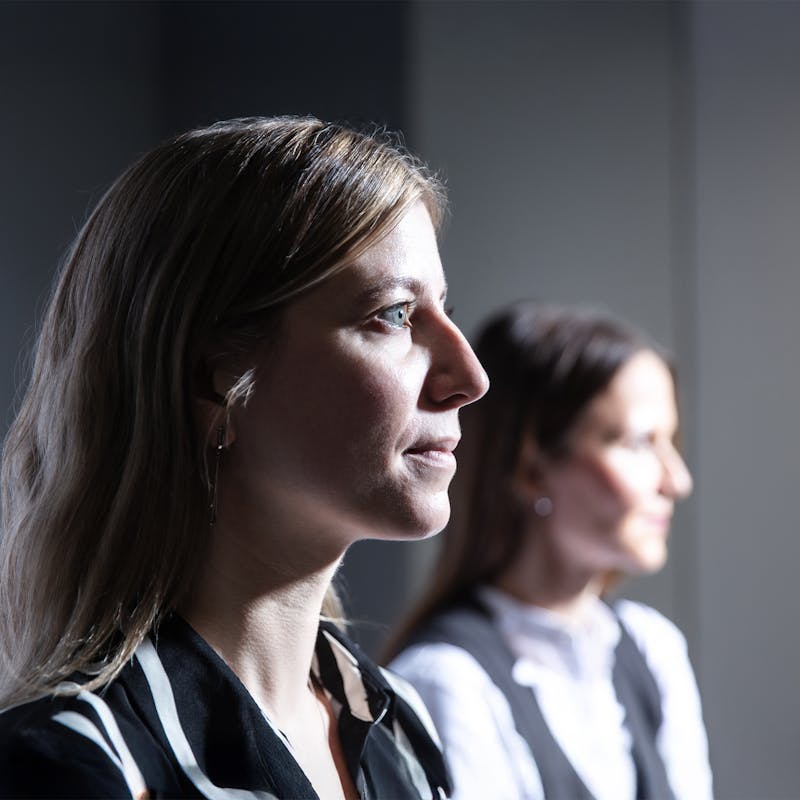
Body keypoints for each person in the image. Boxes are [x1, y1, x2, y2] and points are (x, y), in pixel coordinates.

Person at [0, 116, 489, 798]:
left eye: (445, 311)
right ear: (217, 381)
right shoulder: (73, 763)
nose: (469, 377)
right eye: (394, 315)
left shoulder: (398, 727)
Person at [386, 301, 713, 800]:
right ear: (532, 467)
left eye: (671, 441)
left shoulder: (653, 648)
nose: (677, 480)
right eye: (640, 443)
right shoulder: (448, 682)